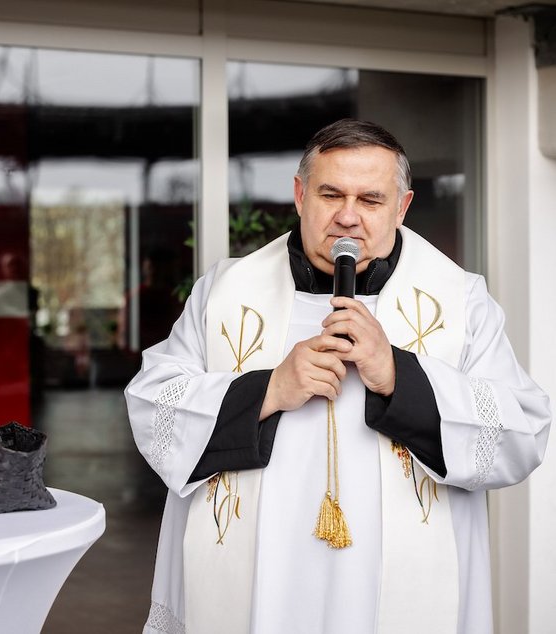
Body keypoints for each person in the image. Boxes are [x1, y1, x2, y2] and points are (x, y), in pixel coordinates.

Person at [125, 119, 551, 634]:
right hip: (262, 581)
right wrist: (269, 389)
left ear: (402, 206)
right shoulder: (225, 291)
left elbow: (521, 433)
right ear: (301, 195)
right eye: (331, 194)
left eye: (370, 200)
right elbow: (154, 407)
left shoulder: (461, 300)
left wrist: (399, 375)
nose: (347, 218)